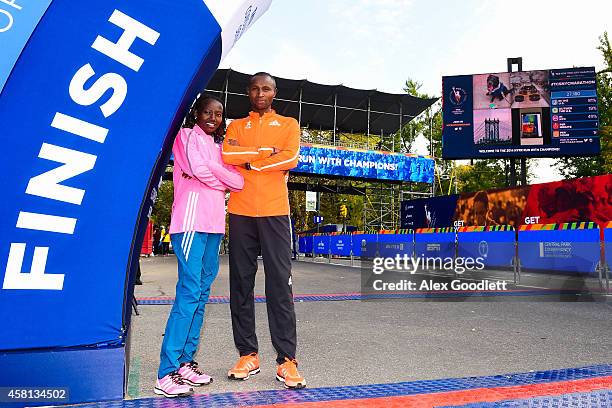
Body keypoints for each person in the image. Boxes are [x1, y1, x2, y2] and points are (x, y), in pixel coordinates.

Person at [155, 94, 244, 398]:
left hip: (214, 227)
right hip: (191, 224)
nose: (212, 117)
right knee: (190, 292)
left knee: (202, 293)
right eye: (207, 111)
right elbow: (198, 169)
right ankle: (165, 372)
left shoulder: (218, 148)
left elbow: (239, 181)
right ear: (197, 113)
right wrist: (218, 175)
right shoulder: (186, 136)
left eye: (218, 114)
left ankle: (184, 363)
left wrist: (213, 172)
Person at [222, 72, 306, 389]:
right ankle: (248, 354)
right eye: (255, 88)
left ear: (274, 93)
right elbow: (228, 155)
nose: (260, 93)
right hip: (241, 213)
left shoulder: (288, 124)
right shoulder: (235, 126)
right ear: (249, 92)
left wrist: (251, 160)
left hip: (274, 212)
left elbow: (291, 157)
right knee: (240, 285)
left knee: (279, 287)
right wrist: (265, 152)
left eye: (266, 88)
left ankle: (286, 361)